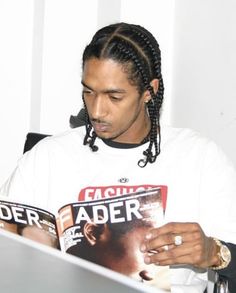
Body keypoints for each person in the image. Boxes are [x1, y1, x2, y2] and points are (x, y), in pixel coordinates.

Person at [0, 22, 236, 292]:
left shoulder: (199, 157)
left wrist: (214, 253)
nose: (97, 111)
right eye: (88, 92)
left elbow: (227, 255)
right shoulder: (48, 157)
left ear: (150, 91)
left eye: (114, 96)